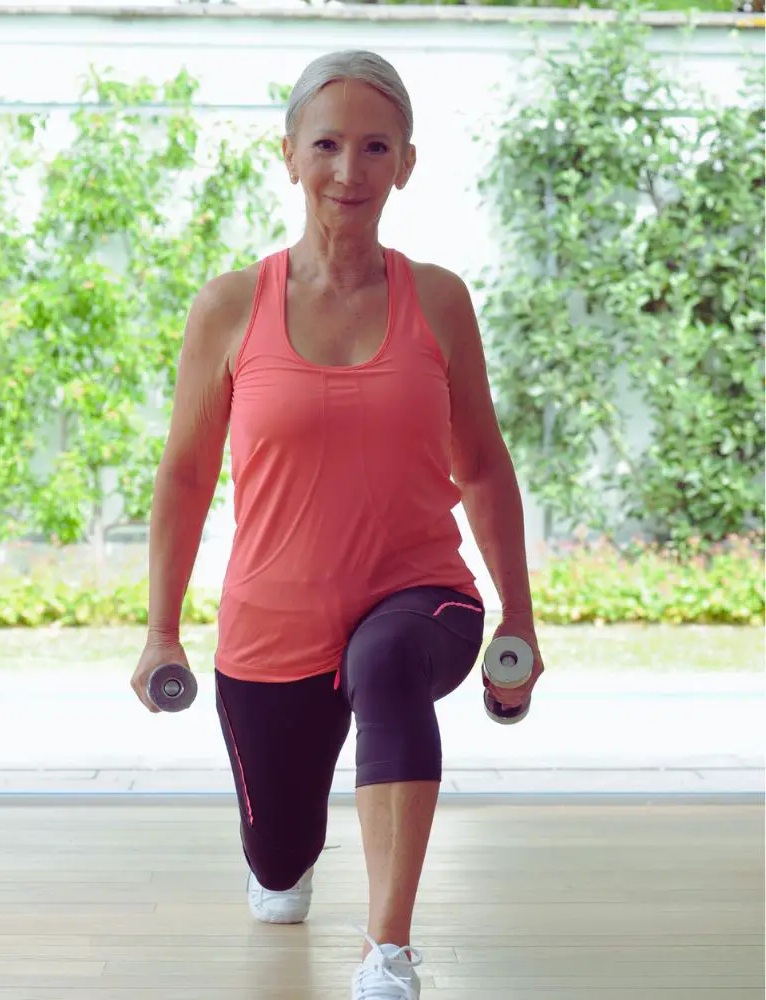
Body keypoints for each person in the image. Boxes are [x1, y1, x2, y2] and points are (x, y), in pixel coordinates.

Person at [131, 49, 545, 1000]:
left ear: (406, 162)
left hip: (420, 597)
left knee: (387, 663)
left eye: (374, 147)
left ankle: (386, 952)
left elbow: (482, 465)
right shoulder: (232, 305)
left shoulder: (438, 300)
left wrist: (518, 616)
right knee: (278, 872)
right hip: (271, 626)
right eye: (327, 145)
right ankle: (286, 860)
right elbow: (188, 475)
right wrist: (161, 631)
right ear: (288, 156)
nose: (349, 172)